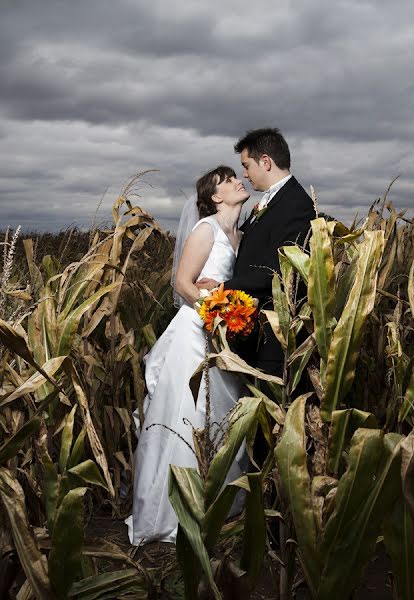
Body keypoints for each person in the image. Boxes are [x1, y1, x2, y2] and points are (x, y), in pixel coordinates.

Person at [126, 165, 250, 545]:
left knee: (223, 417)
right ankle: (173, 511)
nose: (237, 182)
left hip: (224, 338)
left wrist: (226, 297)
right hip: (196, 334)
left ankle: (214, 506)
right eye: (229, 180)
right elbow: (182, 284)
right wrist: (219, 306)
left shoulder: (242, 236)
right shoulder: (205, 229)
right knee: (187, 416)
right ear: (215, 197)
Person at [197, 128, 316, 377]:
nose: (244, 174)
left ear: (265, 162)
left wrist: (223, 286)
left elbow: (281, 270)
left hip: (275, 336)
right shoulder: (267, 203)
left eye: (246, 165)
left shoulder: (297, 204)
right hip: (254, 331)